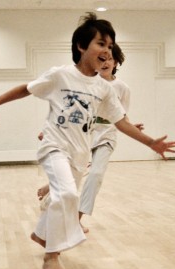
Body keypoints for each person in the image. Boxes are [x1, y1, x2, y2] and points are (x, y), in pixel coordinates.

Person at [0, 12, 175, 269]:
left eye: (110, 46)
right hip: (54, 147)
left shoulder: (104, 89)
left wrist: (151, 143)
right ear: (81, 46)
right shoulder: (60, 76)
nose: (106, 50)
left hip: (79, 155)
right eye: (101, 43)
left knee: (65, 194)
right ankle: (51, 256)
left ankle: (41, 233)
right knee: (67, 195)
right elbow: (27, 88)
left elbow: (121, 121)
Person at [37, 43, 143, 233]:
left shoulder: (122, 88)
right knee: (73, 171)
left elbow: (121, 116)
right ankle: (50, 187)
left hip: (107, 137)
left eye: (109, 58)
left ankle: (76, 219)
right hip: (84, 135)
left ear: (116, 62)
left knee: (95, 174)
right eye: (101, 59)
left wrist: (132, 127)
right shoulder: (85, 84)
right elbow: (68, 110)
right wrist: (48, 131)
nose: (105, 63)